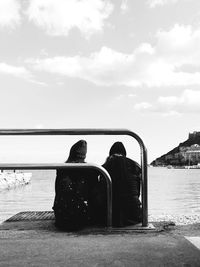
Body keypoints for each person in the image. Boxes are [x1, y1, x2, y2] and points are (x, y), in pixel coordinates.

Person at [53, 140, 94, 230]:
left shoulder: (62, 168)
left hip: (61, 217)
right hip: (80, 218)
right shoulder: (90, 169)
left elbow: (57, 191)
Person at [101, 141, 142, 227]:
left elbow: (100, 191)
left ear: (111, 153)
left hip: (109, 217)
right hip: (134, 215)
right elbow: (137, 192)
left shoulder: (105, 166)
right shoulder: (135, 165)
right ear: (124, 153)